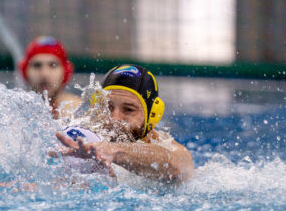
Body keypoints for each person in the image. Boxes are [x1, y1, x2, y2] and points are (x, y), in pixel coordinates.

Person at [56, 65, 194, 182]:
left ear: (152, 116)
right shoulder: (82, 140)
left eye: (128, 110)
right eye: (108, 107)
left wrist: (114, 151)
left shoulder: (166, 145)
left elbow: (177, 168)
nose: (114, 119)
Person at [19, 36, 80, 119]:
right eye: (37, 65)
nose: (45, 74)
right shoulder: (15, 111)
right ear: (25, 71)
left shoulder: (79, 111)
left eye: (53, 65)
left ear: (65, 71)